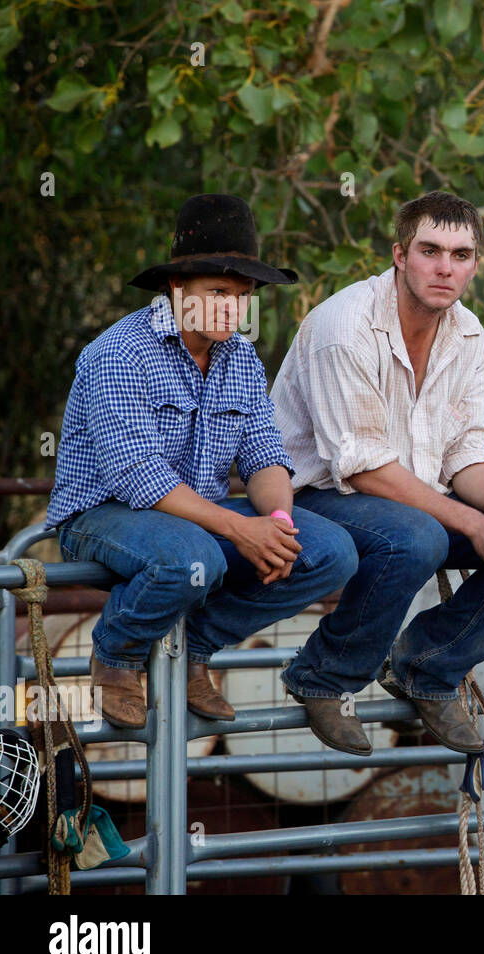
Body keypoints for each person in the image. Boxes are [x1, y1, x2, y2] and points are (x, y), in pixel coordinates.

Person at [271, 191, 484, 756]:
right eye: (430, 251)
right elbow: (359, 467)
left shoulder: (470, 334)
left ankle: (428, 668)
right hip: (317, 493)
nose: (444, 267)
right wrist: (469, 522)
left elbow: (467, 451)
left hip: (413, 495)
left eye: (461, 255)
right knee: (416, 538)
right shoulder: (345, 326)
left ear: (475, 264)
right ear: (400, 255)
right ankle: (323, 676)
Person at [47, 194, 358, 730]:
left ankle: (196, 646)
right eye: (217, 292)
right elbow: (137, 475)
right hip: (104, 513)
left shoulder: (240, 357)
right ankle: (117, 655)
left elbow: (265, 454)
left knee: (330, 552)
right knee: (195, 558)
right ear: (176, 289)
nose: (231, 309)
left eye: (242, 296)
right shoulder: (118, 353)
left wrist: (277, 525)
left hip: (198, 515)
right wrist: (241, 528)